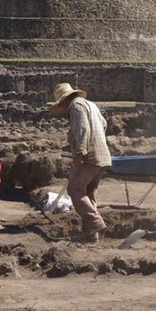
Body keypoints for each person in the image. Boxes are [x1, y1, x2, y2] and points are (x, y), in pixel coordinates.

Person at [49, 82, 112, 243]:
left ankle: (95, 222)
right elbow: (103, 124)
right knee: (89, 193)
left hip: (90, 156)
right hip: (103, 154)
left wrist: (80, 152)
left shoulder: (75, 106)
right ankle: (90, 234)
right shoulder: (90, 105)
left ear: (64, 101)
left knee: (75, 188)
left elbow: (83, 129)